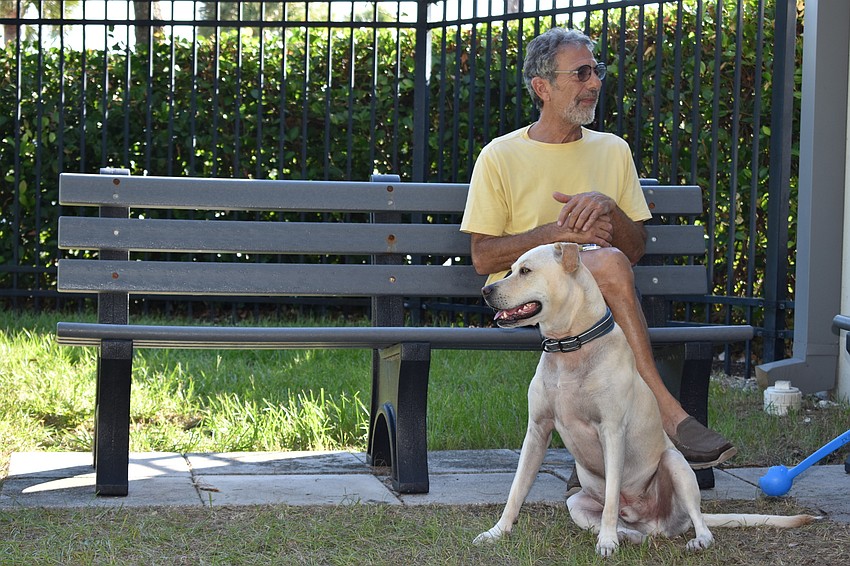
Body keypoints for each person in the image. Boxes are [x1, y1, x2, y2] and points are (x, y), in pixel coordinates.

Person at [460, 27, 736, 469]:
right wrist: (558, 234)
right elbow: (483, 259)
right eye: (582, 73)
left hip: (602, 300)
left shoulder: (613, 150)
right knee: (605, 263)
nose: (595, 83)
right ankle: (669, 414)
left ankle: (593, 466)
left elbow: (636, 248)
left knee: (608, 264)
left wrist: (610, 209)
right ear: (542, 87)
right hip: (529, 299)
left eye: (597, 71)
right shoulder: (500, 156)